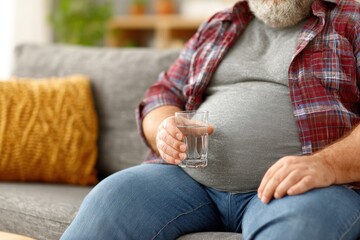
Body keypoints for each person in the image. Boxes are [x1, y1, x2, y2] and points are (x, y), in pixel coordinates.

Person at [61, 0, 360, 239]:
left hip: (301, 192)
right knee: (113, 197)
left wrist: (326, 165)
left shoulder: (351, 19)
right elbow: (162, 92)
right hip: (188, 181)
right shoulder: (220, 24)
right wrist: (164, 125)